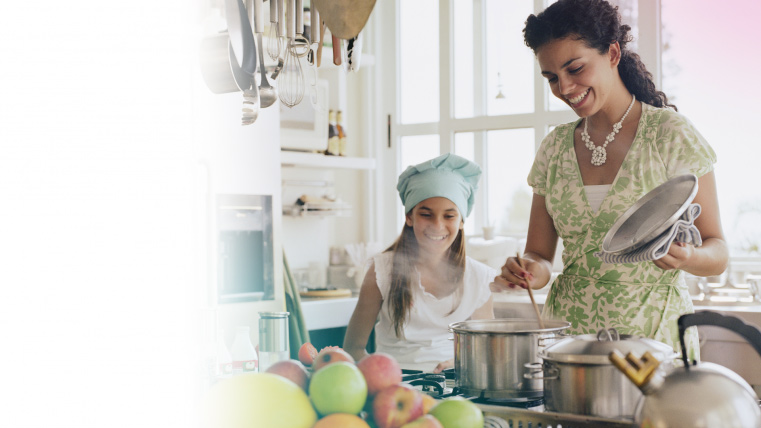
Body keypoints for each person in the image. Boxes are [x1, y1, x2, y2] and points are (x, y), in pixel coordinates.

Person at [491, 0, 728, 359]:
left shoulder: (670, 135)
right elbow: (540, 254)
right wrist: (528, 271)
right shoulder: (554, 147)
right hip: (570, 342)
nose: (565, 87)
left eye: (575, 68)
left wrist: (687, 256)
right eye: (552, 77)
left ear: (613, 53)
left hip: (654, 339)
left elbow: (718, 251)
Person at [343, 153, 496, 373]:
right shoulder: (382, 271)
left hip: (457, 392)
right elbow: (353, 348)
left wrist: (464, 365)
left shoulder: (480, 279)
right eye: (426, 214)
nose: (437, 225)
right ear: (409, 217)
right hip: (394, 387)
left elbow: (488, 353)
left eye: (449, 216)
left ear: (462, 221)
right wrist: (379, 375)